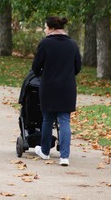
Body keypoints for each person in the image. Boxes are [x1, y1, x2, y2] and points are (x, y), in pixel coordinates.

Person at [32, 16, 82, 166]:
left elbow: (35, 67)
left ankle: (45, 151)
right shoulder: (72, 45)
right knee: (64, 120)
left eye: (46, 27)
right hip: (67, 87)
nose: (45, 30)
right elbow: (78, 66)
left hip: (49, 86)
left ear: (52, 28)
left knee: (47, 119)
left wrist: (44, 73)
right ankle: (64, 157)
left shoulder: (45, 44)